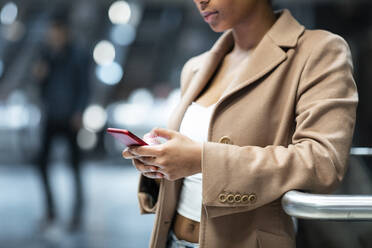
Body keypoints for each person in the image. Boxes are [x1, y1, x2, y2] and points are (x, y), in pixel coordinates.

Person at [122, 0, 358, 247]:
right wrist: (159, 162)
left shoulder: (318, 51)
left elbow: (323, 162)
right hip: (172, 240)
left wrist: (202, 159)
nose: (200, 1)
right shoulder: (196, 67)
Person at [33, 13, 90, 231]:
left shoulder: (78, 54)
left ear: (64, 32)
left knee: (74, 166)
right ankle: (50, 210)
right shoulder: (46, 55)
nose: (52, 36)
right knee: (41, 163)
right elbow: (40, 85)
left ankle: (77, 212)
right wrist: (39, 77)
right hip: (51, 115)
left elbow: (85, 86)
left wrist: (79, 111)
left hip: (70, 118)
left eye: (56, 31)